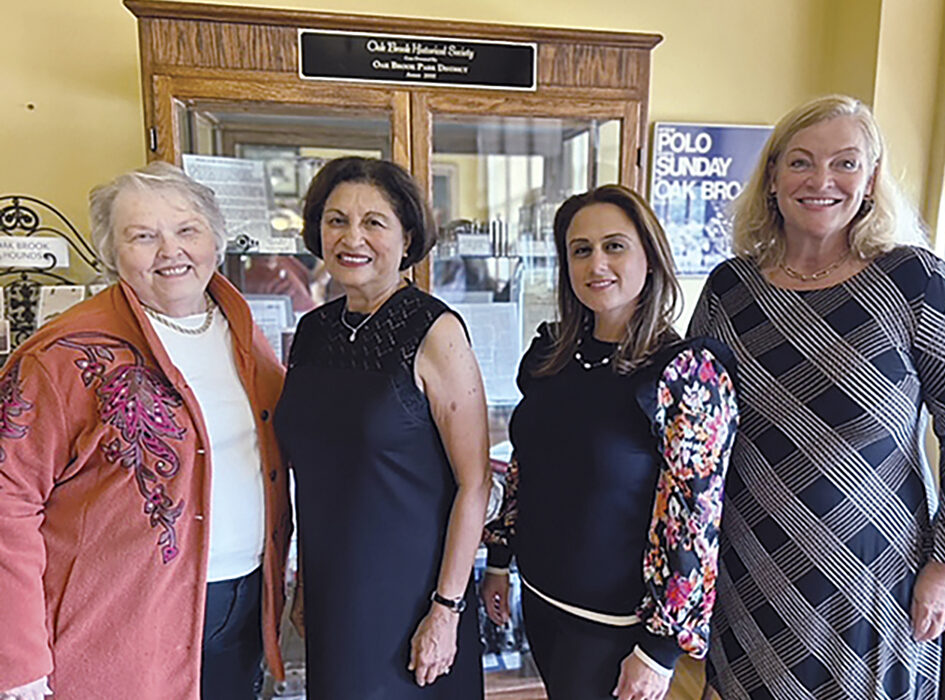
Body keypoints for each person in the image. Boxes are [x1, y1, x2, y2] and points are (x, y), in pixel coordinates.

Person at [689, 94, 945, 699]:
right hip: (751, 561)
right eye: (801, 162)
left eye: (846, 163)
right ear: (773, 176)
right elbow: (694, 427)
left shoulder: (914, 281)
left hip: (874, 577)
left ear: (872, 177)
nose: (822, 180)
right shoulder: (731, 289)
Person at [0, 162, 292, 700]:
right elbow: (7, 502)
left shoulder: (242, 330)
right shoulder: (60, 356)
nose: (170, 251)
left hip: (243, 604)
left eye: (187, 230)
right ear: (111, 253)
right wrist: (18, 662)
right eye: (143, 236)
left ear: (216, 239)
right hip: (116, 626)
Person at [481, 184, 740, 700]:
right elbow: (526, 469)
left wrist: (660, 649)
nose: (596, 263)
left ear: (650, 257)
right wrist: (498, 559)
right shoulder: (549, 356)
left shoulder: (686, 372)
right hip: (541, 596)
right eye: (581, 250)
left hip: (617, 625)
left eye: (614, 246)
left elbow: (693, 519)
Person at [274, 157, 491, 699]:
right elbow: (314, 474)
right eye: (337, 220)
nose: (353, 237)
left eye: (374, 222)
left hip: (413, 597)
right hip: (331, 590)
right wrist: (303, 579)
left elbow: (475, 483)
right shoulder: (313, 331)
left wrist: (446, 610)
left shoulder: (435, 331)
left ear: (407, 235)